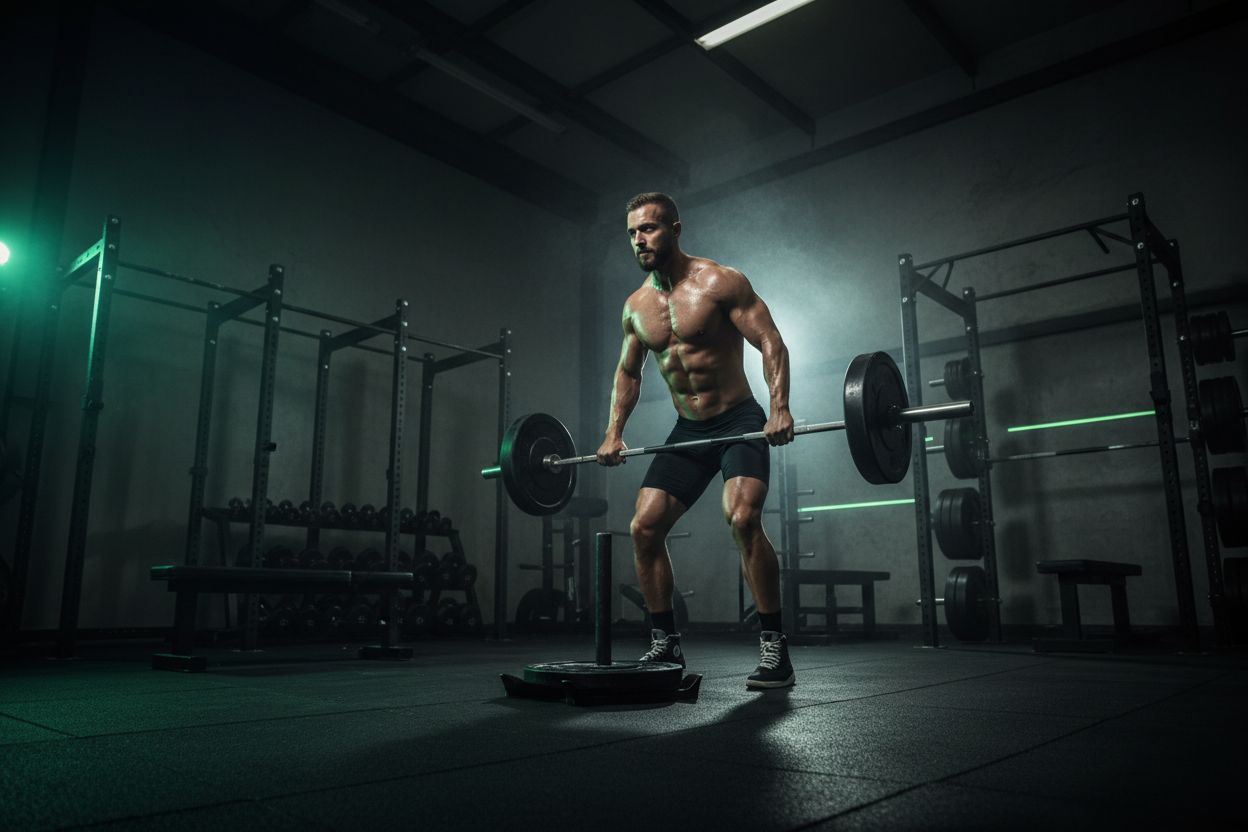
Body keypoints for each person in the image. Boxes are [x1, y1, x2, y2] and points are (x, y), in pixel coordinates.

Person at [596, 192, 796, 690]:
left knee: (743, 517)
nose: (639, 239)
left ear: (675, 229)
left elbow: (770, 340)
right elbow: (628, 373)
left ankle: (774, 647)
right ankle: (665, 643)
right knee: (644, 527)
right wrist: (613, 433)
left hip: (737, 420)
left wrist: (779, 408)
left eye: (649, 228)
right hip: (689, 430)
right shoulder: (637, 306)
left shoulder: (719, 281)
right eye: (632, 232)